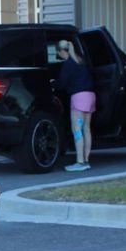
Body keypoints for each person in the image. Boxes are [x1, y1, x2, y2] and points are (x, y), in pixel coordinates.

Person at [54, 39, 95, 171]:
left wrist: (54, 84)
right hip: (90, 96)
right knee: (86, 129)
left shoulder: (68, 64)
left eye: (57, 53)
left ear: (61, 51)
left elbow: (62, 83)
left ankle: (80, 162)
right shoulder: (81, 61)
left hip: (78, 98)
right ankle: (86, 160)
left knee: (77, 130)